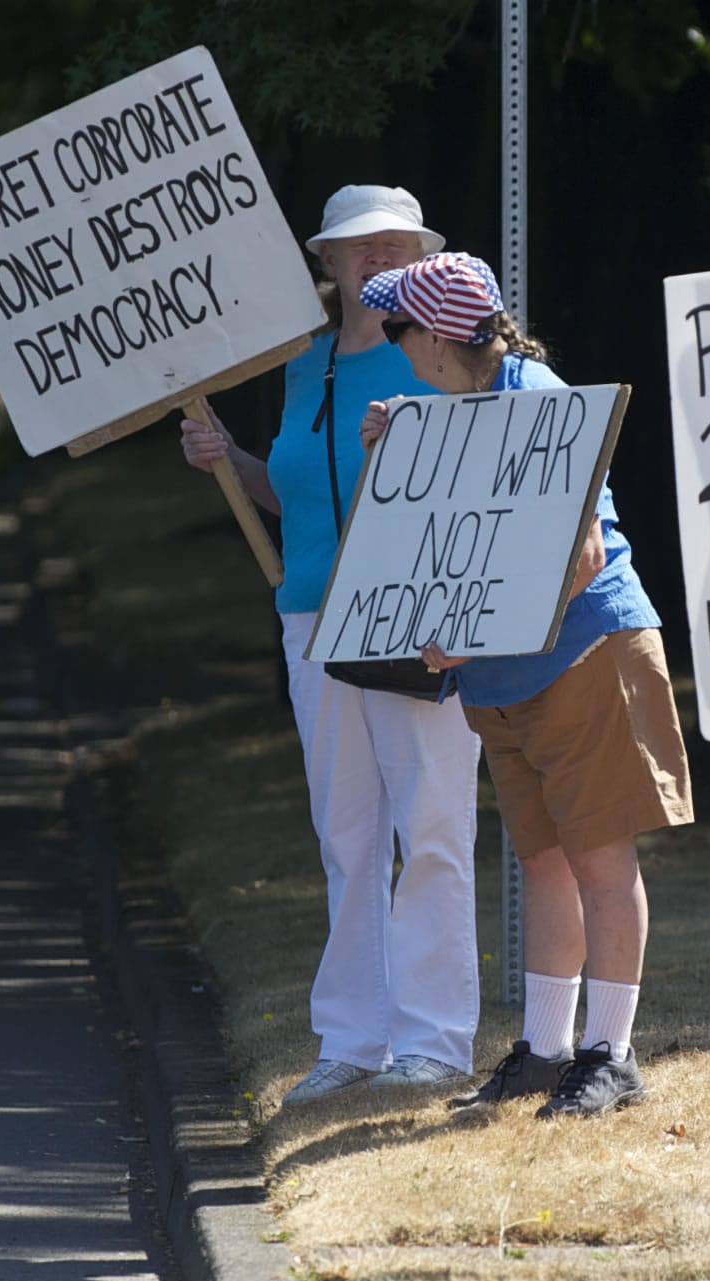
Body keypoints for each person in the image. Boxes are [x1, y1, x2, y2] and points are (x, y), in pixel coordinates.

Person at [354, 251, 694, 1119]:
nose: (393, 349)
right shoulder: (454, 409)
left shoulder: (536, 401)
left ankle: (609, 1056)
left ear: (433, 338)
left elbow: (578, 559)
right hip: (505, 671)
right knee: (543, 858)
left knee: (598, 856)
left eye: (397, 331)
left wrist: (469, 630)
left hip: (584, 652)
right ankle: (547, 1050)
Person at [178, 185, 483, 1106]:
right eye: (360, 248)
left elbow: (471, 484)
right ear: (329, 264)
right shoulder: (303, 364)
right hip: (311, 619)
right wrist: (229, 458)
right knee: (346, 837)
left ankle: (435, 1041)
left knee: (430, 824)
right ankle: (352, 1041)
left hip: (411, 616)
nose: (378, 259)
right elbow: (298, 494)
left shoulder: (432, 355)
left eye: (396, 245)